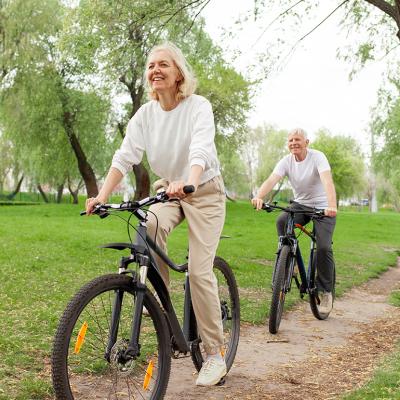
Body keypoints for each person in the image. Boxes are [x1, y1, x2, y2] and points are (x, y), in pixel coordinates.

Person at [85, 42, 227, 386]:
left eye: (163, 64)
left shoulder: (197, 107)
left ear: (178, 73)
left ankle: (214, 353)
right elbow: (124, 157)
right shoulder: (146, 115)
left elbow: (201, 149)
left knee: (198, 270)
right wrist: (102, 195)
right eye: (150, 66)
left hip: (203, 191)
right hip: (168, 190)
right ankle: (165, 316)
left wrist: (190, 182)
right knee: (146, 228)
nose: (155, 70)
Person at [251, 128, 337, 313]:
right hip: (301, 205)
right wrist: (259, 196)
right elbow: (272, 179)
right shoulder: (286, 161)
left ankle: (326, 292)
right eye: (290, 140)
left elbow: (327, 181)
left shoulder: (317, 157)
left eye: (297, 139)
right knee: (282, 221)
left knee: (323, 247)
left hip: (323, 207)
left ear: (307, 142)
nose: (293, 143)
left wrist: (331, 206)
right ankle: (291, 260)